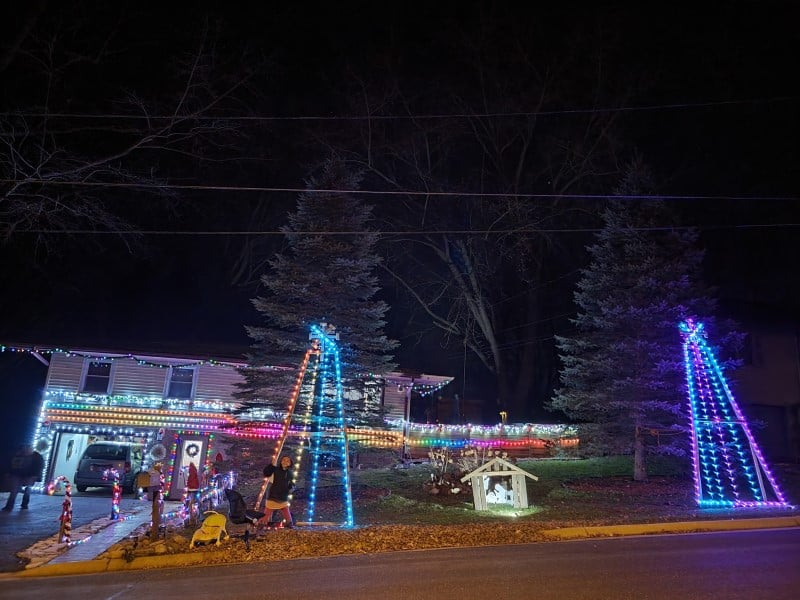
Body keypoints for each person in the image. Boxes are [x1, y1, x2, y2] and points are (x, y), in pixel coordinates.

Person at [3, 445, 44, 511]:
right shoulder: (19, 455)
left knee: (27, 491)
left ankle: (24, 504)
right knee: (14, 490)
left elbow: (39, 467)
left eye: (28, 449)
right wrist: (10, 472)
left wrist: (35, 475)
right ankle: (9, 506)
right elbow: (12, 464)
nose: (26, 450)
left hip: (29, 476)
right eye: (25, 449)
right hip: (18, 475)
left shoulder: (37, 457)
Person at [261, 455, 295, 528]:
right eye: (284, 460)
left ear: (290, 463)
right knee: (267, 511)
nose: (285, 462)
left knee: (285, 509)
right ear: (281, 461)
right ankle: (261, 525)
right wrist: (271, 465)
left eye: (287, 461)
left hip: (283, 495)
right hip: (273, 495)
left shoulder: (290, 473)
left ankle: (289, 524)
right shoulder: (275, 470)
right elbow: (266, 473)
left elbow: (290, 483)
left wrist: (291, 487)